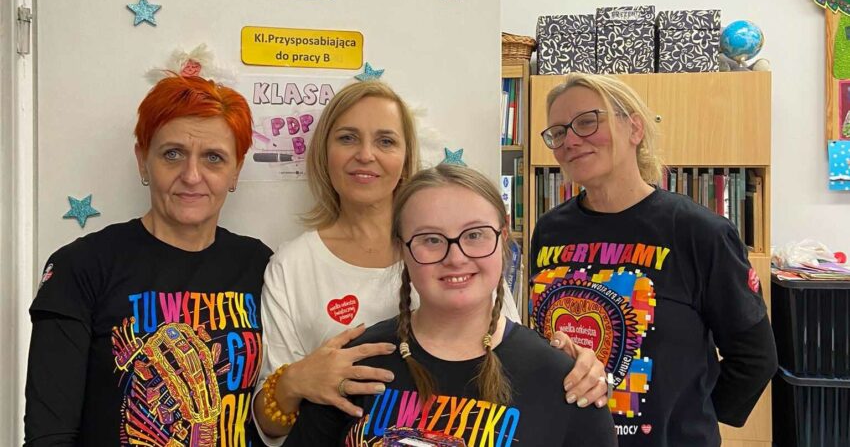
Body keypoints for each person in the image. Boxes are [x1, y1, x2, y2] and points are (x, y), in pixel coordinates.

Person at [254, 81, 609, 444]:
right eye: (347, 138)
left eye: (385, 141)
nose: (365, 154)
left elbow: (512, 357)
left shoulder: (474, 264)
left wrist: (575, 369)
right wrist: (295, 381)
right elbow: (273, 425)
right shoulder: (293, 265)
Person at [286, 164, 618, 446]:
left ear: (503, 239)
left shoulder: (566, 379)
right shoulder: (354, 364)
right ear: (402, 249)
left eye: (475, 235)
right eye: (431, 239)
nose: (455, 257)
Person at [528, 73, 778, 446]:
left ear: (634, 128)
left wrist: (690, 416)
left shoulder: (699, 232)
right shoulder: (549, 231)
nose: (571, 141)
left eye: (587, 121)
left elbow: (755, 357)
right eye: (559, 132)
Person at [24, 75, 273, 446]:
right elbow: (50, 435)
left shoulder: (261, 265)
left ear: (235, 170)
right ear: (143, 161)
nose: (192, 176)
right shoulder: (82, 266)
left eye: (214, 158)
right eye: (172, 154)